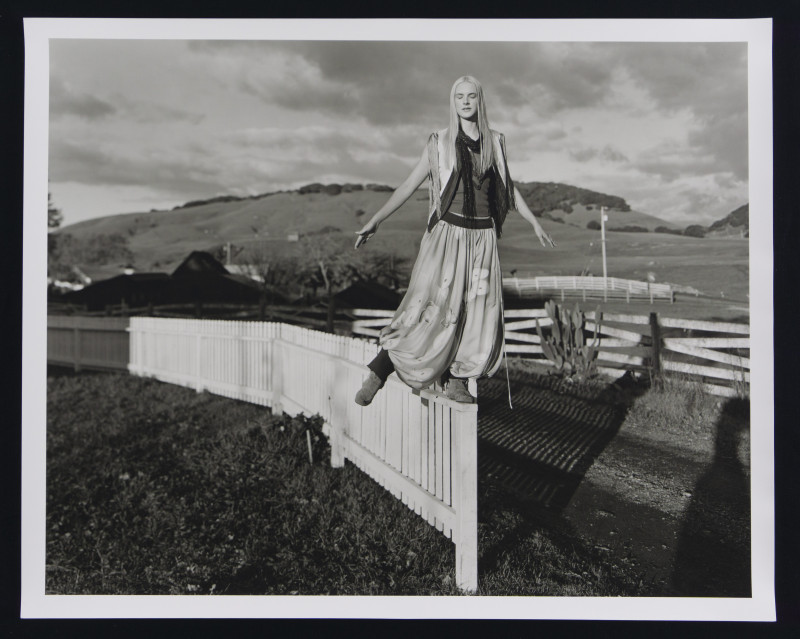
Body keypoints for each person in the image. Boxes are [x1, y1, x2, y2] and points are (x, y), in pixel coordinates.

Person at [353, 75, 556, 406]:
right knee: (428, 308)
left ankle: (457, 380)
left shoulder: (496, 140)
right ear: (452, 101)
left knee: (475, 310)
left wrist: (534, 222)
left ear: (480, 101)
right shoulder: (439, 141)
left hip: (483, 240)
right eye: (459, 96)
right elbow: (408, 185)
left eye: (471, 96)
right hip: (448, 236)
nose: (465, 101)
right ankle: (379, 371)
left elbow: (508, 188)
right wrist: (376, 220)